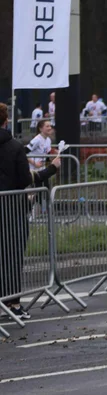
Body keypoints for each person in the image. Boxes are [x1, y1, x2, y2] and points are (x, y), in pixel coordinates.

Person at [0, 103, 34, 321]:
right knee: (12, 255)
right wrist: (50, 170)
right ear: (6, 120)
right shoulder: (15, 146)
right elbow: (24, 179)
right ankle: (13, 303)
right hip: (12, 208)